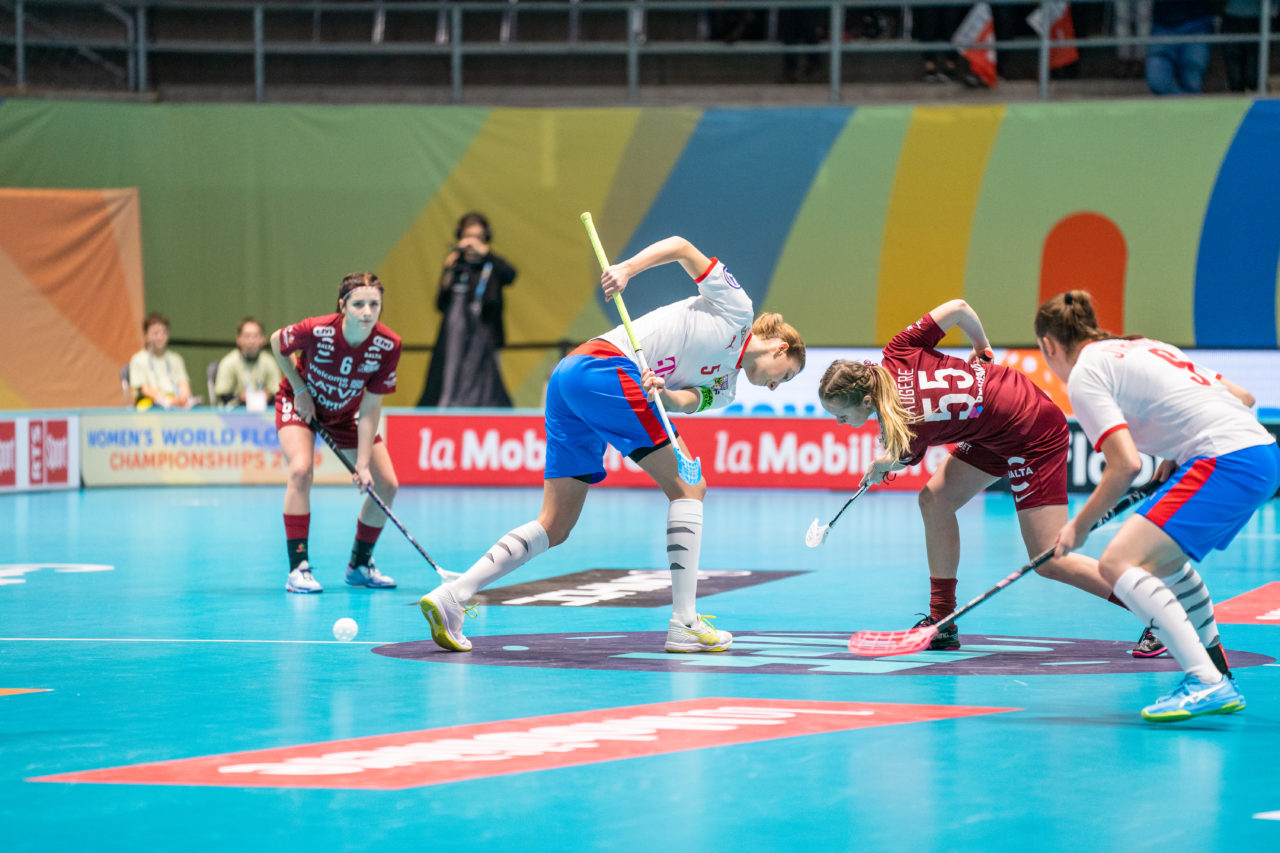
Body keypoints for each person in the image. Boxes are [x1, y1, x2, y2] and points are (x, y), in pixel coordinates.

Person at [419, 236, 806, 653]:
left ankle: (454, 596)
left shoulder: (726, 389)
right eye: (783, 376)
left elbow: (685, 400)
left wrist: (663, 390)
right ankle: (685, 622)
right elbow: (680, 247)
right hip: (603, 366)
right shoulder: (736, 310)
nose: (772, 386)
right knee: (690, 488)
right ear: (781, 348)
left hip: (571, 377)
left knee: (556, 524)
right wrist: (626, 270)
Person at [818, 299, 1129, 650]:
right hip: (997, 419)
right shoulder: (897, 349)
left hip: (1031, 432)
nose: (839, 424)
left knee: (1050, 559)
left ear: (864, 401)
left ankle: (1156, 612)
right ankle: (943, 619)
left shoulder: (906, 424)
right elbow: (959, 307)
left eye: (840, 415)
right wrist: (980, 345)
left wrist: (878, 467)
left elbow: (897, 459)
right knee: (934, 500)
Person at [1036, 290, 1279, 722]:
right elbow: (1242, 397)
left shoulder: (1085, 374)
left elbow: (1125, 464)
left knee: (1116, 562)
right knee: (1165, 564)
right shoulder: (1144, 345)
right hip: (1258, 452)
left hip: (1228, 460)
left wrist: (1078, 527)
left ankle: (1206, 682)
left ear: (1049, 346)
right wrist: (1175, 451)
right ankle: (1217, 671)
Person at [269, 272, 403, 594]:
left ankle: (359, 565)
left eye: (374, 304)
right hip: (302, 405)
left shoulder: (388, 345)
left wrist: (363, 464)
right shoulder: (317, 329)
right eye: (359, 304)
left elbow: (371, 408)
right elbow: (277, 342)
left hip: (346, 415)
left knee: (387, 484)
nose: (368, 312)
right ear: (343, 305)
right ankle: (298, 568)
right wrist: (300, 389)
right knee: (301, 470)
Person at [418, 211, 518, 408]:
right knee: (448, 378)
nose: (472, 243)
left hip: (486, 335)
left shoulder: (491, 264)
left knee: (490, 385)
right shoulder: (456, 264)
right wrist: (448, 267)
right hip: (455, 338)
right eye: (467, 237)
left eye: (478, 238)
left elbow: (511, 275)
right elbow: (440, 303)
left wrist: (486, 253)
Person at [128, 312, 196, 409]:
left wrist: (182, 399)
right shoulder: (138, 359)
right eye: (155, 333)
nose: (160, 337)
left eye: (164, 332)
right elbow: (144, 390)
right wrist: (168, 401)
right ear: (145, 335)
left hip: (176, 405)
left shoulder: (176, 359)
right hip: (151, 406)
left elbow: (183, 384)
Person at [1146, 0, 1214, 95]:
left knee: (1191, 82)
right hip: (1162, 27)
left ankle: (1188, 106)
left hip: (1197, 26)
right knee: (1157, 82)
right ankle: (1188, 104)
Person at [213, 317, 282, 409]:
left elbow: (278, 394)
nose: (252, 341)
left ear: (263, 339)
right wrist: (240, 398)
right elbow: (223, 396)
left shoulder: (270, 362)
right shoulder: (228, 362)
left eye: (256, 336)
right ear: (238, 339)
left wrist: (267, 395)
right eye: (247, 336)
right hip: (234, 416)